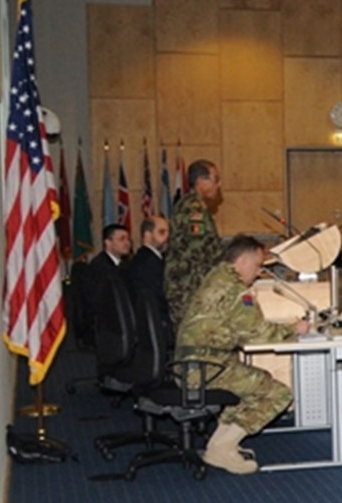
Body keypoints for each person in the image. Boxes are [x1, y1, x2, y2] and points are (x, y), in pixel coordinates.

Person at [176, 236, 310, 475]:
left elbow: (241, 326)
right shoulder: (236, 289)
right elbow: (259, 334)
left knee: (258, 380)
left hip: (195, 363)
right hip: (205, 368)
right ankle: (222, 447)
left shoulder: (216, 277)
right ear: (242, 261)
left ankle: (220, 445)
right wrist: (295, 329)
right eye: (258, 265)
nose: (259, 272)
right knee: (278, 393)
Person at [166, 159, 223, 323]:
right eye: (215, 179)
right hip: (189, 289)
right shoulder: (194, 209)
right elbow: (200, 251)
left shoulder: (193, 206)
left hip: (191, 286)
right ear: (200, 181)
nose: (219, 185)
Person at [80, 223, 135, 383]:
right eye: (122, 239)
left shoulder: (123, 265)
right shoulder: (100, 268)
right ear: (108, 243)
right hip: (100, 323)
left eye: (128, 239)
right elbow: (97, 302)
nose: (127, 243)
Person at [126, 215, 173, 354]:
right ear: (147, 235)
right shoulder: (148, 264)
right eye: (162, 232)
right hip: (158, 324)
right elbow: (162, 298)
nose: (167, 237)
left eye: (168, 233)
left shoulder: (143, 259)